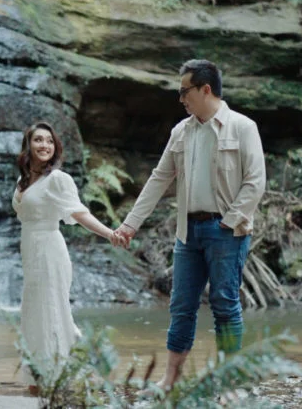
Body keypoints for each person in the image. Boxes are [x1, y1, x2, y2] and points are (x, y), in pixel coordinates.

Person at [114, 59, 266, 391]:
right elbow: (159, 179)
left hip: (226, 231)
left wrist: (229, 222)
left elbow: (255, 182)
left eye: (185, 91)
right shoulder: (180, 131)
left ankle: (229, 384)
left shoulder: (243, 127)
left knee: (225, 304)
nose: (180, 98)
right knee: (181, 306)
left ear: (205, 89)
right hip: (188, 232)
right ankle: (170, 380)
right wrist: (130, 224)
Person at [12, 121, 124, 396]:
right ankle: (39, 374)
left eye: (50, 141)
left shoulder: (58, 179)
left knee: (52, 309)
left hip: (49, 250)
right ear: (28, 145)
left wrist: (110, 233)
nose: (45, 145)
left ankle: (63, 372)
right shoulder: (23, 182)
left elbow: (79, 213)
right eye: (38, 140)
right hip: (30, 251)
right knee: (34, 312)